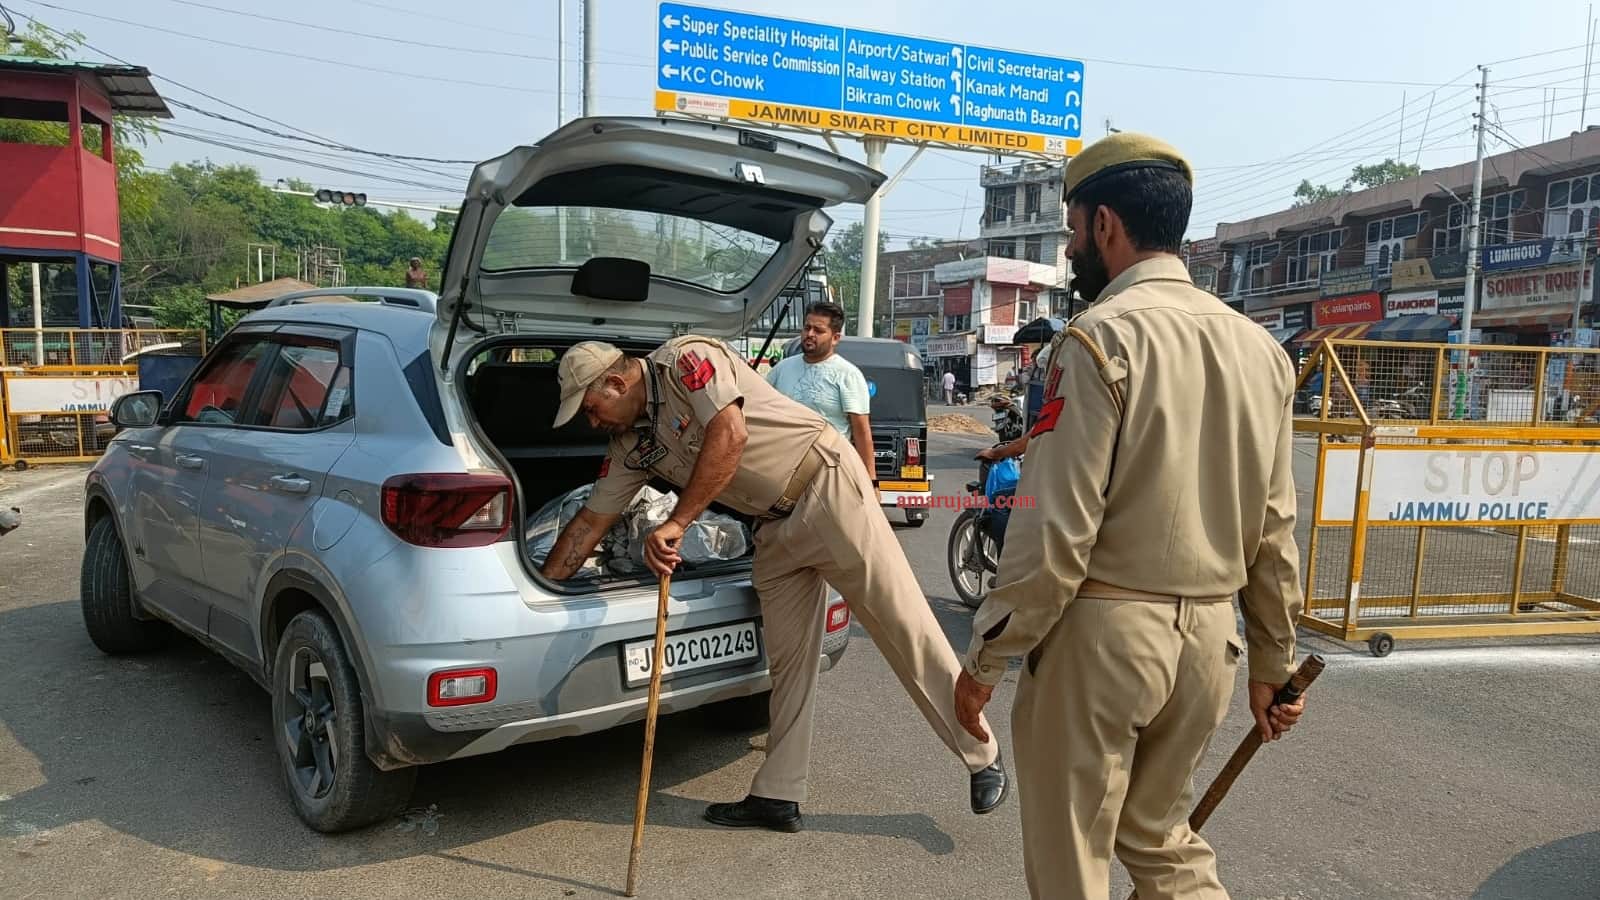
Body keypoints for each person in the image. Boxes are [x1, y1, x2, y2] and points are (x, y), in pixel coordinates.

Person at [951, 132, 1308, 900]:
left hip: (1105, 640)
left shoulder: (1097, 339)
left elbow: (1055, 535)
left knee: (1072, 854)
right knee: (1160, 839)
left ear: (1105, 225)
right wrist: (1274, 666)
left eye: (1073, 230)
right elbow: (1275, 530)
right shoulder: (1262, 351)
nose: (1072, 248)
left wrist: (986, 659)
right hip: (1211, 645)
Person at [539, 336, 1008, 833]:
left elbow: (730, 434)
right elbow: (589, 523)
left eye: (591, 409)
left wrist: (677, 522)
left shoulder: (685, 361)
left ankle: (982, 755)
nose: (592, 423)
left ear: (616, 382)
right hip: (773, 527)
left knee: (902, 624)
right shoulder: (629, 444)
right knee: (787, 664)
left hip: (825, 487)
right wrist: (545, 596)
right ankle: (777, 795)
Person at [765, 300, 876, 482]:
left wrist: (872, 483)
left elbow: (862, 433)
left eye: (818, 330)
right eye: (807, 328)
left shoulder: (848, 375)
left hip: (827, 474)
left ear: (835, 338)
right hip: (782, 471)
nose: (809, 334)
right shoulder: (781, 369)